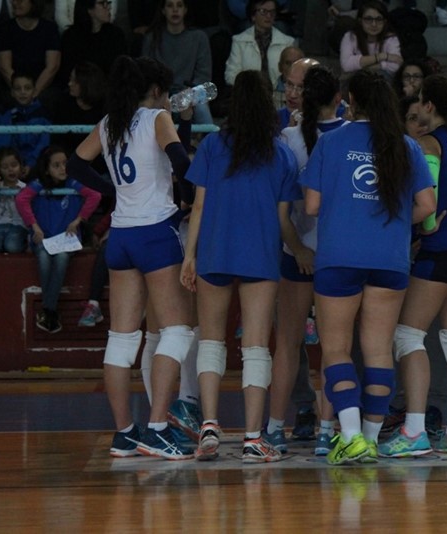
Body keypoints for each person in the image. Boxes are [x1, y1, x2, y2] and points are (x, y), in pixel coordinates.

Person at [299, 69, 436, 465]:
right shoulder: (406, 146)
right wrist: (393, 222)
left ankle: (351, 436)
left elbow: (312, 205)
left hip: (339, 256)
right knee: (378, 350)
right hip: (389, 259)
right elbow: (427, 206)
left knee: (336, 349)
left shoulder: (331, 141)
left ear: (351, 101)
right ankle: (372, 440)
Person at [69, 55, 196, 460]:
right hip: (155, 231)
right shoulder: (157, 118)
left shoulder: (109, 123)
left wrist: (111, 189)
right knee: (177, 331)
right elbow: (181, 162)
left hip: (120, 235)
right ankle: (157, 428)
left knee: (121, 340)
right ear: (156, 90)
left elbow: (75, 163)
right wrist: (189, 199)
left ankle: (124, 433)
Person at [180, 70, 299, 463]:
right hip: (261, 254)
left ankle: (209, 426)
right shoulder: (281, 153)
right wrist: (300, 250)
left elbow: (198, 205)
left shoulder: (213, 145)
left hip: (215, 250)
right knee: (256, 348)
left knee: (211, 342)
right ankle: (252, 437)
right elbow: (284, 220)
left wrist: (190, 255)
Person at [380, 73, 447, 458]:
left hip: (444, 247)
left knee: (408, 335)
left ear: (429, 106)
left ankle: (414, 431)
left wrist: (426, 225)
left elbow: (430, 197)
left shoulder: (430, 143)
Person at [265, 65, 348, 457]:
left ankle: (273, 429)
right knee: (336, 347)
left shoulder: (288, 139)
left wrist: (297, 248)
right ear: (338, 99)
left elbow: (278, 210)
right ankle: (327, 430)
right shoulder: (352, 136)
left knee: (287, 344)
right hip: (337, 256)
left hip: (297, 251)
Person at [15, 145, 101, 333]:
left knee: (61, 258)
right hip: (44, 238)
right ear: (46, 169)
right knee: (44, 258)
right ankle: (51, 311)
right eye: (56, 165)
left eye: (65, 164)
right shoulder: (39, 184)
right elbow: (21, 199)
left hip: (66, 239)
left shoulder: (72, 183)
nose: (63, 169)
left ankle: (48, 310)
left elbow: (95, 195)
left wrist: (78, 220)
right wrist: (34, 226)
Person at [142, 0, 213, 125]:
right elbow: (146, 73)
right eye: (170, 5)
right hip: (160, 92)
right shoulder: (152, 38)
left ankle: (209, 137)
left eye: (179, 5)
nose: (175, 10)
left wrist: (188, 93)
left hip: (190, 92)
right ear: (163, 10)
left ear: (185, 10)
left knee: (201, 108)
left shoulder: (199, 37)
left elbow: (203, 74)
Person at [0, 0, 61, 102]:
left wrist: (34, 92)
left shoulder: (49, 28)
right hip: (13, 87)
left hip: (43, 87)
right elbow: (4, 68)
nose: (15, 3)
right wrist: (20, 91)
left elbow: (52, 67)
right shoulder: (5, 29)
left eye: (20, 0)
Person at [224, 0, 295, 88]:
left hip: (278, 93)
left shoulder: (287, 42)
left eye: (272, 12)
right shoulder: (239, 41)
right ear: (253, 16)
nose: (268, 16)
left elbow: (292, 75)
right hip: (247, 92)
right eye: (263, 11)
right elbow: (230, 75)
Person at [59, 0, 127, 88]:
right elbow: (67, 72)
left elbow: (121, 70)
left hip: (109, 90)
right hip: (79, 89)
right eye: (102, 3)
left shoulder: (116, 35)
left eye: (108, 3)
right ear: (89, 9)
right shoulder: (71, 37)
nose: (109, 7)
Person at [52, 61, 106, 162]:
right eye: (70, 79)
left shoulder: (105, 107)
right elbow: (57, 140)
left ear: (87, 84)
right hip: (69, 162)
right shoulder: (63, 103)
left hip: (100, 162)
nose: (69, 84)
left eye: (75, 81)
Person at [339, 1, 402, 80]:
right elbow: (346, 65)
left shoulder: (391, 38)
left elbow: (396, 65)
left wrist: (363, 67)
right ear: (360, 21)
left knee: (381, 75)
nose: (374, 24)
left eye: (379, 19)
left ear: (385, 22)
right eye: (368, 19)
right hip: (355, 81)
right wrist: (381, 56)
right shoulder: (350, 36)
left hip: (382, 81)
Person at [0, 72, 50, 170]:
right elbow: (6, 143)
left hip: (39, 165)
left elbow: (44, 144)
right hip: (14, 166)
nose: (22, 92)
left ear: (34, 91)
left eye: (27, 88)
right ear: (12, 92)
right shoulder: (7, 115)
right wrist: (17, 164)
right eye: (18, 89)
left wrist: (30, 164)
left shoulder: (44, 114)